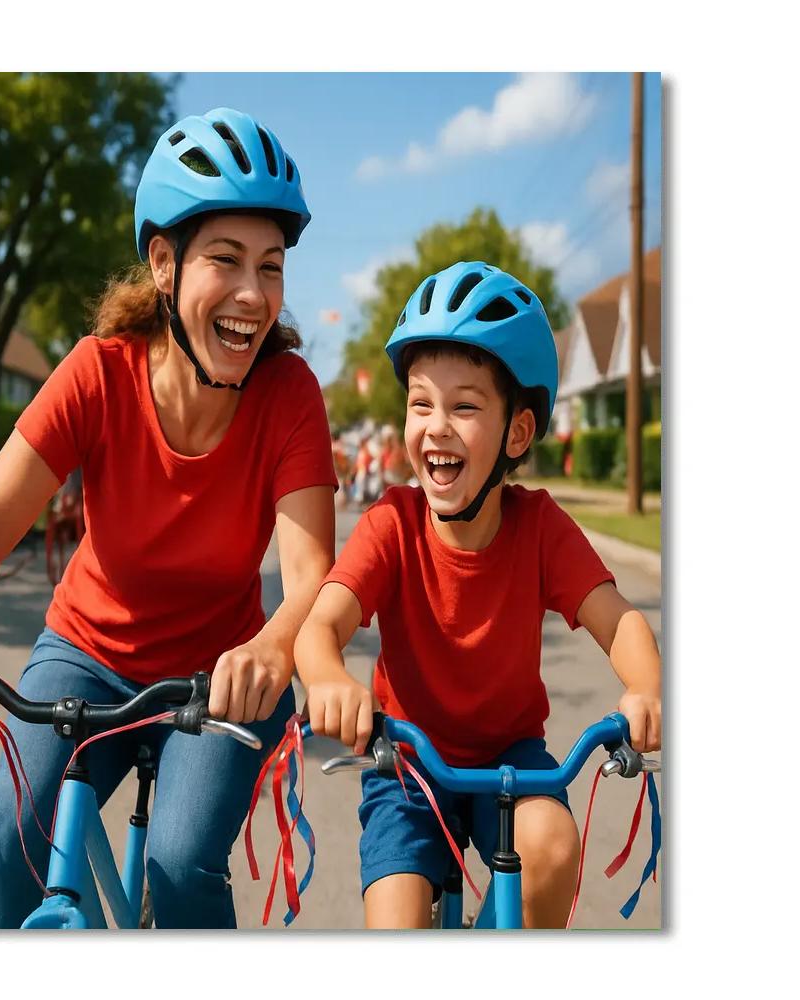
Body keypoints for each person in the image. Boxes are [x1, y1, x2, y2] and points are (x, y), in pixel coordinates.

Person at [0, 108, 337, 928]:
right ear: (164, 265)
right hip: (86, 652)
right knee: (10, 836)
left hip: (222, 674)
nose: (253, 293)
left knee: (178, 867)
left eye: (271, 267)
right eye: (226, 259)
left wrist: (273, 649)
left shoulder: (289, 395)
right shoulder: (97, 373)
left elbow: (315, 581)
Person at [294, 261, 661, 929]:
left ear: (517, 433)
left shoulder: (540, 527)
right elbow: (320, 626)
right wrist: (328, 680)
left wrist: (644, 690)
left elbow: (620, 621)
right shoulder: (391, 525)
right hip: (405, 761)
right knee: (394, 926)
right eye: (420, 403)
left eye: (464, 406)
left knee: (550, 843)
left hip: (512, 762)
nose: (436, 426)